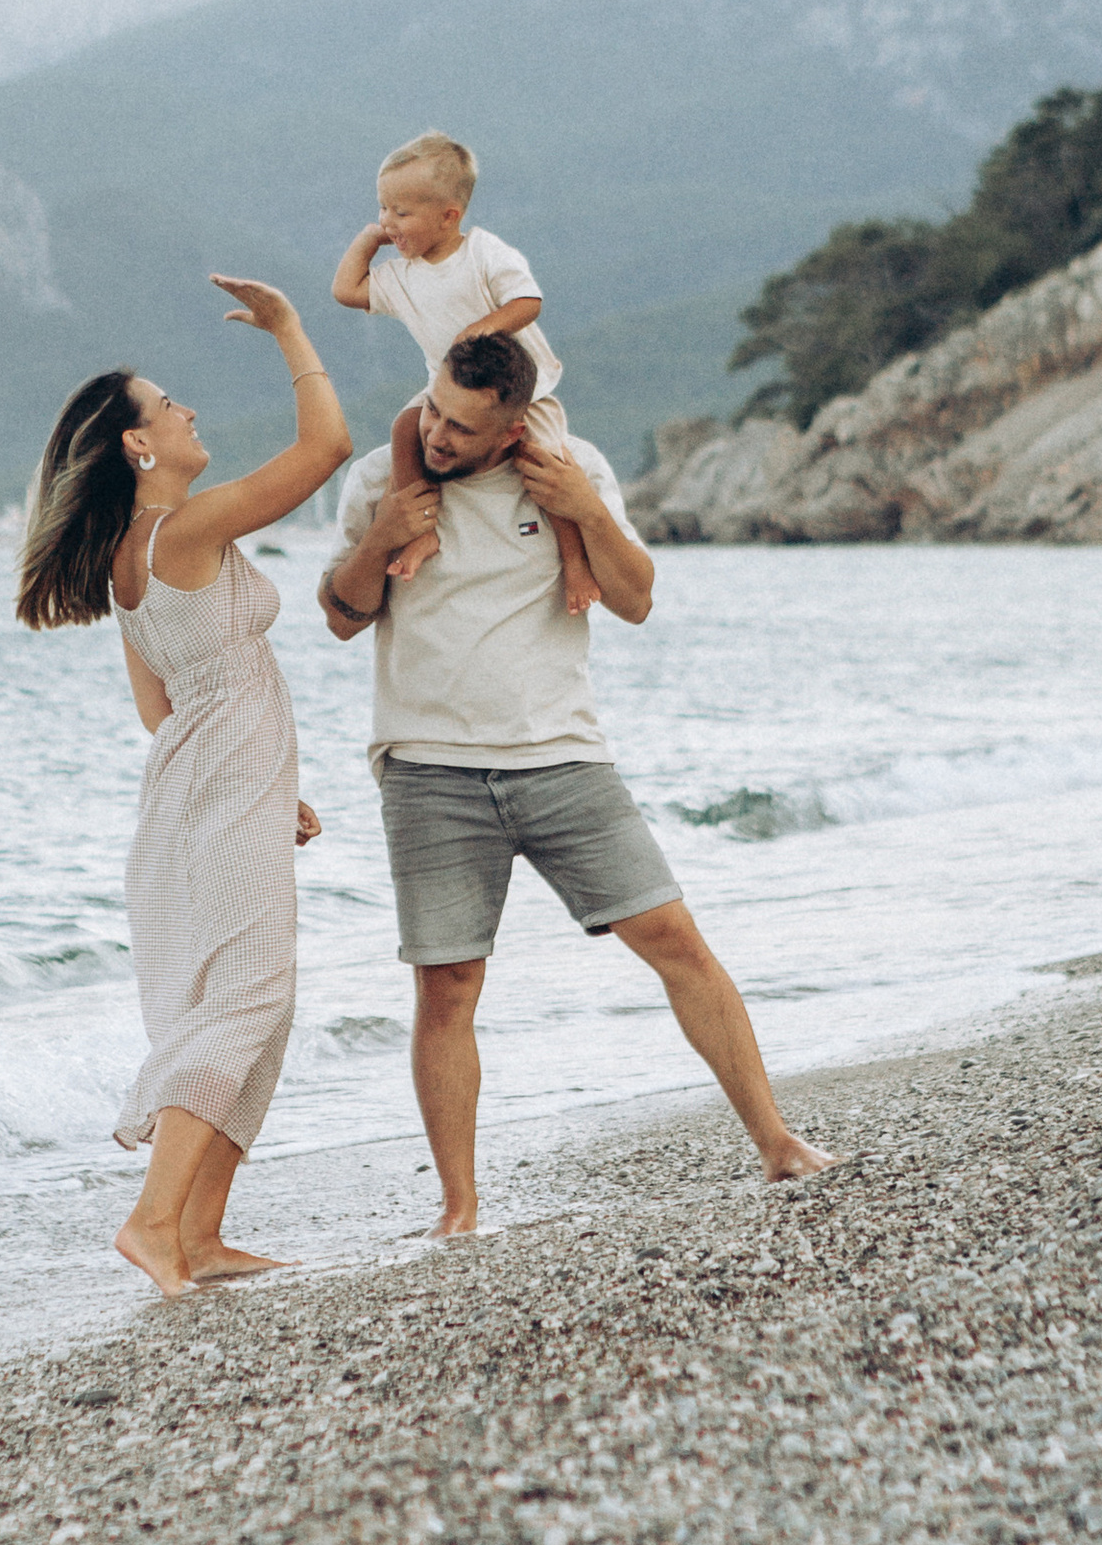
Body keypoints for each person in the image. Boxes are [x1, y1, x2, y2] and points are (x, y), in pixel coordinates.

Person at [318, 328, 830, 1233]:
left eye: (464, 428)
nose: (438, 436)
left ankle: (779, 1143)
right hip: (429, 769)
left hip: (562, 758)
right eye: (433, 409)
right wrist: (383, 540)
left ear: (513, 424)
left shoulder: (571, 469)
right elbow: (342, 617)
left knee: (676, 940)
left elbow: (634, 598)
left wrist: (587, 509)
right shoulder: (381, 481)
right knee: (447, 988)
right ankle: (460, 1209)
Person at [16, 278, 352, 1298]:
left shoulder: (130, 560)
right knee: (247, 998)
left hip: (194, 794)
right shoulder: (190, 530)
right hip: (215, 793)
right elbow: (325, 451)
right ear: (137, 446)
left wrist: (253, 779)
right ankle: (154, 1222)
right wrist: (292, 328)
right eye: (169, 405)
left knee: (253, 1004)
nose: (188, 410)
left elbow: (161, 708)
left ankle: (200, 1237)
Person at [331, 128, 598, 617]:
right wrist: (369, 240)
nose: (389, 222)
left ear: (448, 215)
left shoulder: (483, 253)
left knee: (545, 461)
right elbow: (346, 290)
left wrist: (483, 328)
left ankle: (575, 561)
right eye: (382, 208)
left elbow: (528, 301)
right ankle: (424, 530)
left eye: (401, 212)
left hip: (523, 391)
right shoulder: (400, 276)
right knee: (404, 429)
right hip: (448, 394)